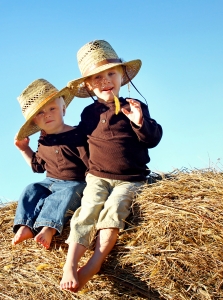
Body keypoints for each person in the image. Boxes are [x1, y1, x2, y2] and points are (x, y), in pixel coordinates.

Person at [59, 40, 163, 292]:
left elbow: (152, 139)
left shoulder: (134, 106)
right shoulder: (88, 113)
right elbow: (79, 141)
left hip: (131, 178)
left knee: (114, 211)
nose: (105, 80)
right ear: (87, 85)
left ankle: (95, 262)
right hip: (97, 177)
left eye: (111, 74)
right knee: (87, 212)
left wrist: (140, 122)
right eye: (97, 77)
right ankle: (70, 263)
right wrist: (51, 137)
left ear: (122, 76)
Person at [12, 79, 89, 250]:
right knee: (30, 189)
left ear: (63, 109)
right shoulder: (43, 139)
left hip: (74, 182)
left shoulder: (78, 135)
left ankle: (48, 228)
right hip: (50, 181)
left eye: (52, 108)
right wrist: (24, 149)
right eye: (40, 113)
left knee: (64, 195)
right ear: (34, 122)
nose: (47, 114)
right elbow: (37, 166)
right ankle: (25, 225)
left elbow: (90, 164)